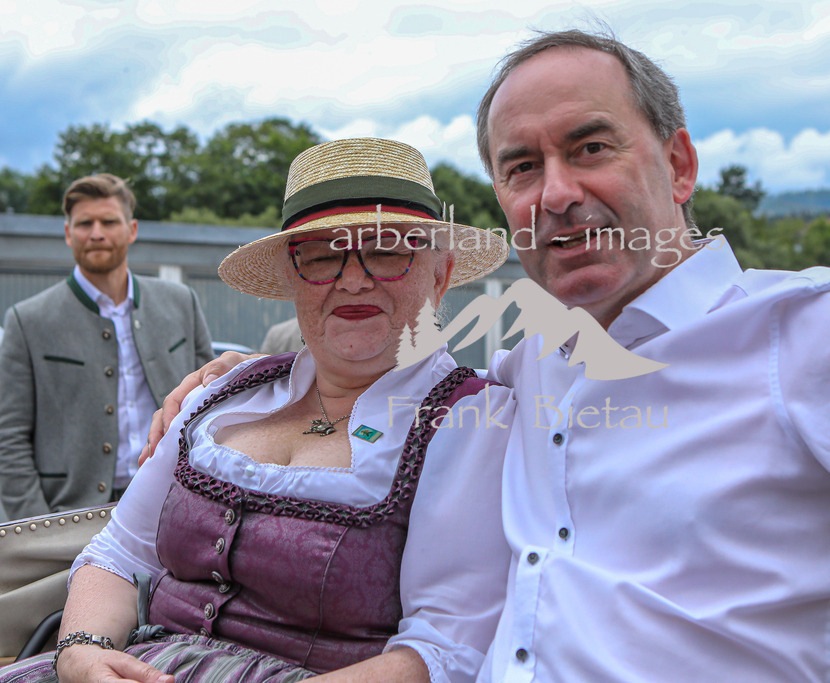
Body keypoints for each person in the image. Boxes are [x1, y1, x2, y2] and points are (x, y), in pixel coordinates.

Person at [146, 30, 830, 682]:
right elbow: (391, 394)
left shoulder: (810, 330)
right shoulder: (527, 368)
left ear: (678, 164)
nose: (557, 193)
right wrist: (253, 381)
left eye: (591, 147)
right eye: (522, 166)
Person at [0, 138, 513, 683]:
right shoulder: (228, 393)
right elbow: (120, 552)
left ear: (439, 273)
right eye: (322, 254)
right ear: (292, 276)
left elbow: (445, 648)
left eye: (388, 251)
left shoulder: (470, 422)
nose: (354, 277)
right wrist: (83, 651)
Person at [0, 174, 214, 520]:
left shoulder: (180, 303)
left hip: (172, 504)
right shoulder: (27, 320)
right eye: (85, 223)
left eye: (109, 221)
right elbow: (8, 438)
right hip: (69, 516)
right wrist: (36, 524)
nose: (97, 232)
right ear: (68, 233)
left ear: (131, 230)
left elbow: (210, 406)